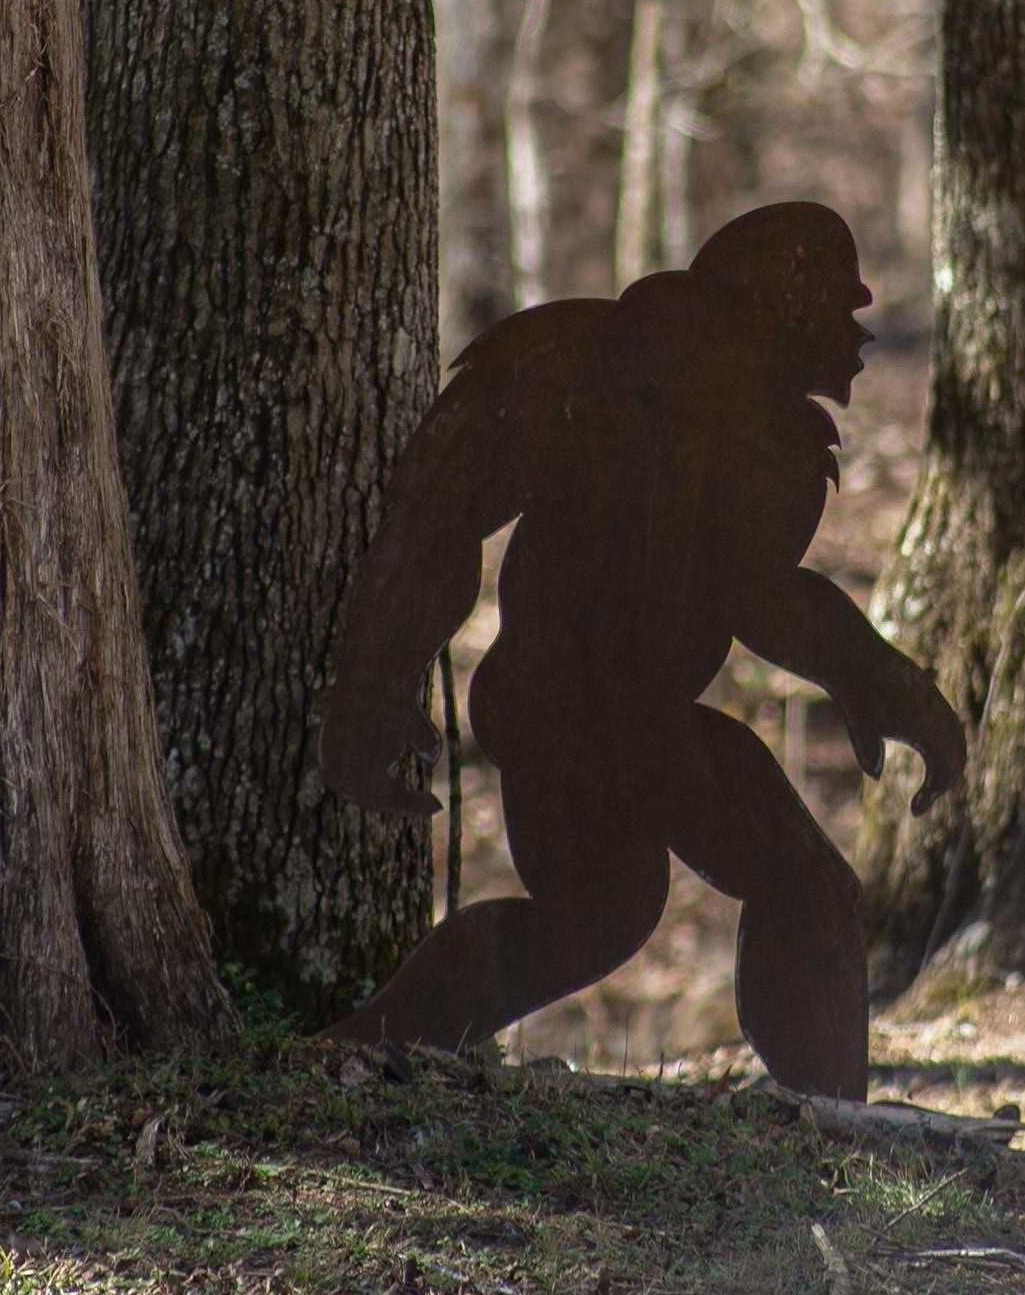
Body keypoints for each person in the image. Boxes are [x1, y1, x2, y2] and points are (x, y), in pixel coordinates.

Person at [318, 203, 965, 1098]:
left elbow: (761, 593)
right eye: (835, 311)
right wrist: (373, 688)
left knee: (647, 908)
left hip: (636, 714)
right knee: (682, 902)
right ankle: (355, 1048)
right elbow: (436, 520)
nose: (856, 338)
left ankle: (828, 1121)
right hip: (567, 709)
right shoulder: (608, 380)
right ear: (783, 311)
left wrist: (885, 685)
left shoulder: (751, 426)